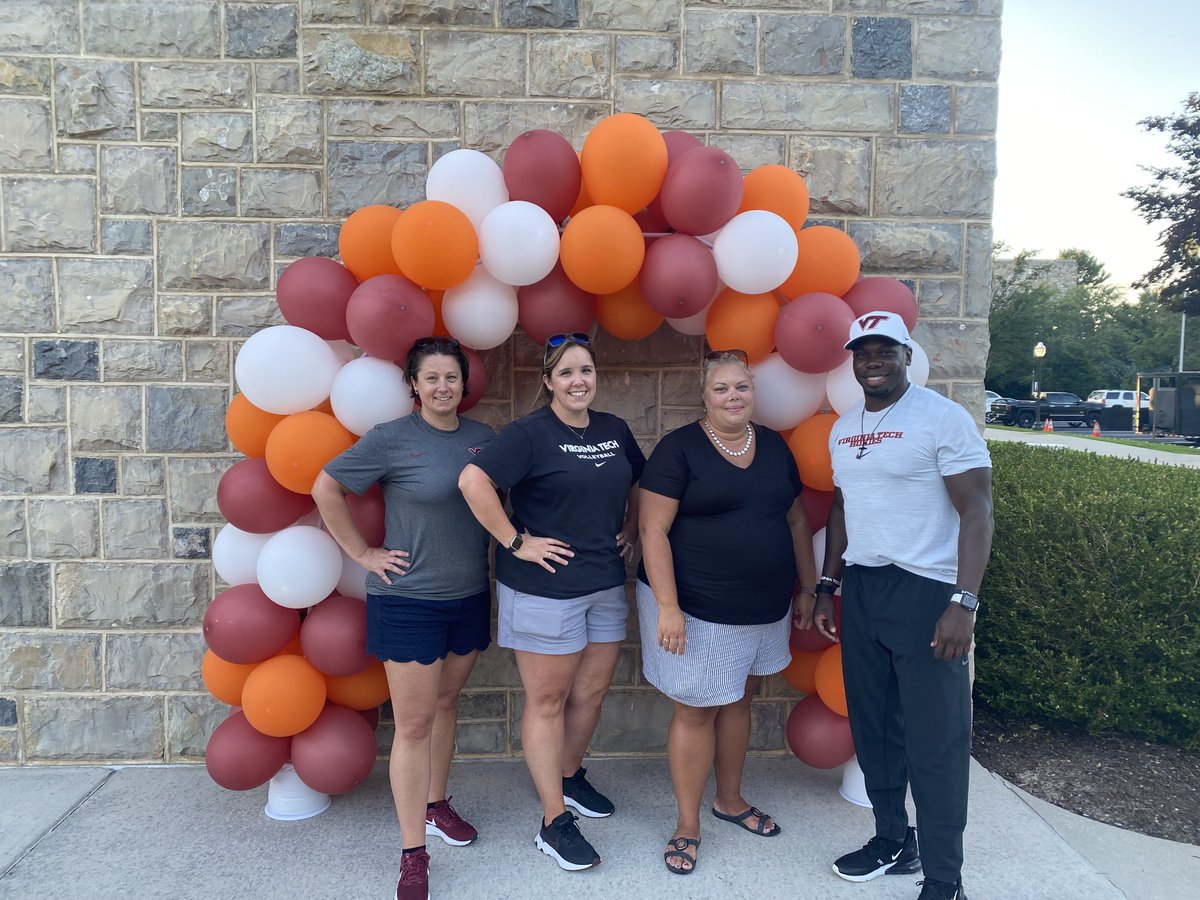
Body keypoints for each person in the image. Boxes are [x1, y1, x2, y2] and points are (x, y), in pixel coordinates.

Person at [815, 311, 994, 900]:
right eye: (863, 351)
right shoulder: (844, 428)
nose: (873, 360)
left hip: (927, 593)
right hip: (864, 590)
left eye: (885, 350)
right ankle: (893, 839)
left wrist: (964, 601)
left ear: (907, 355)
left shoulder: (942, 419)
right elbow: (843, 508)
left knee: (934, 741)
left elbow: (977, 511)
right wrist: (827, 583)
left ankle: (945, 880)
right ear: (853, 360)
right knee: (874, 731)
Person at [312, 336, 495, 900]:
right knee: (413, 725)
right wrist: (363, 554)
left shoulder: (483, 440)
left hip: (468, 597)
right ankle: (413, 853)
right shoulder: (391, 439)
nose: (443, 387)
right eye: (431, 378)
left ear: (465, 385)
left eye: (452, 378)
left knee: (446, 704)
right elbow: (327, 487)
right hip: (409, 601)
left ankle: (437, 804)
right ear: (413, 385)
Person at [458, 332, 644, 872]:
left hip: (604, 582)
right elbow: (473, 482)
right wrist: (516, 540)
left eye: (585, 371)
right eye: (565, 373)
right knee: (547, 701)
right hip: (544, 590)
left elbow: (637, 480)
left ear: (595, 377)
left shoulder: (614, 430)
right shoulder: (530, 434)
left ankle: (569, 774)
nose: (577, 381)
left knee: (591, 691)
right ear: (548, 382)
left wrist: (631, 526)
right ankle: (552, 820)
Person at [636, 349, 818, 875]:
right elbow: (652, 530)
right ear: (704, 394)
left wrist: (808, 586)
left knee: (740, 698)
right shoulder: (679, 450)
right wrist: (668, 607)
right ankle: (687, 824)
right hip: (695, 607)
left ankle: (730, 801)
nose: (733, 397)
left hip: (762, 606)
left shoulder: (776, 446)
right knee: (696, 708)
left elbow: (797, 521)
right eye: (722, 388)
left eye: (741, 387)